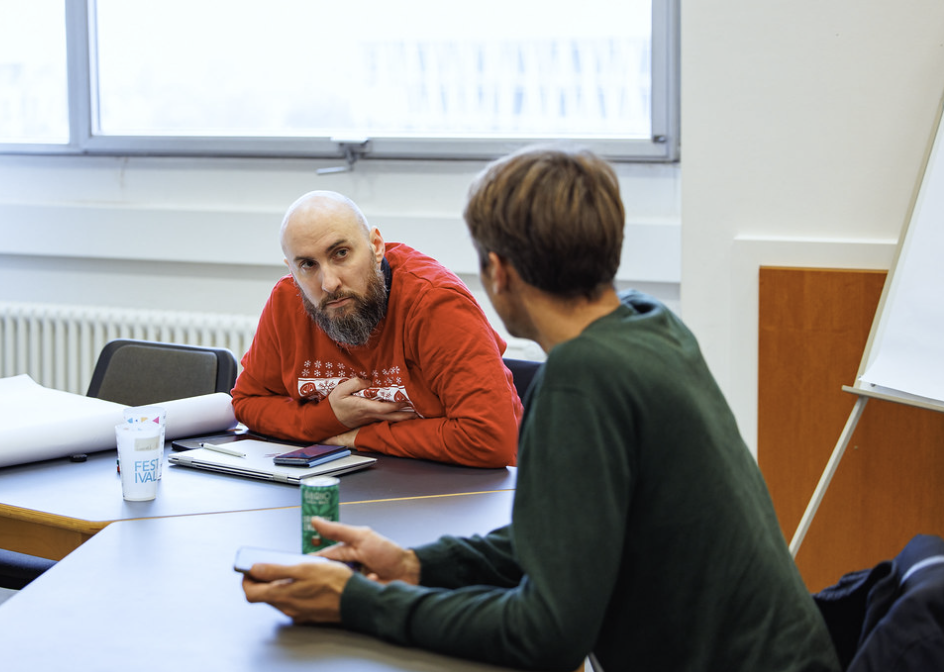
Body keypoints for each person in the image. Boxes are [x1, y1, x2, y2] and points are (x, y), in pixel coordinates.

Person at [240, 148, 841, 672]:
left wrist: (357, 602)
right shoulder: (650, 326)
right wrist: (414, 564)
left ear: (497, 272)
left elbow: (546, 633)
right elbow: (561, 540)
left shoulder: (580, 383)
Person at [231, 190, 523, 468]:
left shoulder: (435, 303)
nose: (328, 283)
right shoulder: (287, 300)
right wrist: (329, 418)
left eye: (341, 253)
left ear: (376, 246)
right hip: (351, 482)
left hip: (465, 495)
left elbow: (490, 438)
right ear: (292, 270)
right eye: (308, 264)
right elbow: (247, 401)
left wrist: (358, 437)